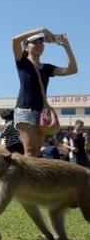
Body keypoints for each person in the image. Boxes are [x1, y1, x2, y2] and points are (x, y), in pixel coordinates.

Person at [12, 28, 78, 157]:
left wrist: (66, 46)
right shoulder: (22, 62)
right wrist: (41, 29)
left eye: (41, 42)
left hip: (42, 114)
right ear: (25, 47)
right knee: (30, 152)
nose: (39, 45)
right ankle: (26, 177)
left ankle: (30, 177)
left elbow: (72, 69)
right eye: (34, 42)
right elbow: (15, 40)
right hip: (25, 112)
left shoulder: (47, 68)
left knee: (36, 153)